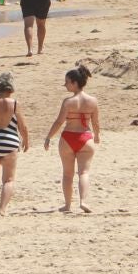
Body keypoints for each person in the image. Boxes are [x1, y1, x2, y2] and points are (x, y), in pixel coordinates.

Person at [42, 64, 100, 214]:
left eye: (67, 82)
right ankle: (83, 201)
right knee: (84, 173)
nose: (65, 85)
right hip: (85, 138)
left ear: (75, 83)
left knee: (68, 174)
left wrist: (48, 137)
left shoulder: (68, 102)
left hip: (68, 138)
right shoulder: (93, 101)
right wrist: (97, 136)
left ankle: (68, 205)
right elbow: (95, 122)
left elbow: (59, 122)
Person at [0, 71, 30, 215]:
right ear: (11, 88)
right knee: (8, 180)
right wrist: (26, 140)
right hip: (10, 142)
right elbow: (22, 126)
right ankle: (3, 209)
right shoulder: (15, 104)